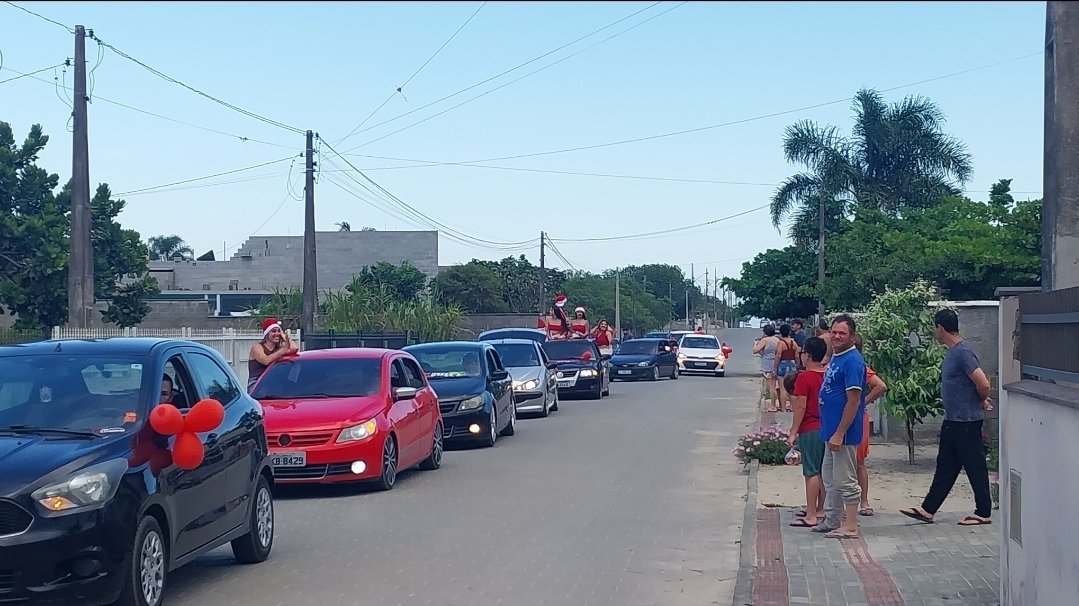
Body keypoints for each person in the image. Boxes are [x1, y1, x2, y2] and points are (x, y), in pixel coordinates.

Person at [901, 308, 994, 526]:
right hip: (954, 420)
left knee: (974, 465)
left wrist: (982, 399)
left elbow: (983, 382)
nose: (935, 332)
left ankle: (983, 511)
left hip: (966, 421)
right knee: (946, 464)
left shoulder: (962, 352)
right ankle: (928, 509)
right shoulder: (954, 351)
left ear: (940, 327)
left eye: (935, 328)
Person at [814, 314, 866, 539]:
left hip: (841, 433)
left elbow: (853, 399)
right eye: (834, 332)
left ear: (852, 336)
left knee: (845, 478)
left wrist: (840, 432)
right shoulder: (837, 356)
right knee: (830, 477)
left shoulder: (853, 361)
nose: (836, 336)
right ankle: (832, 519)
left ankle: (851, 525)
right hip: (830, 430)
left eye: (842, 333)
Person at [787, 336, 828, 528]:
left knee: (811, 472)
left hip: (810, 427)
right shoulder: (827, 374)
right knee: (821, 471)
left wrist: (793, 431)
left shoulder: (804, 377)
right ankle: (820, 508)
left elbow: (800, 407)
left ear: (808, 356)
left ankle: (811, 514)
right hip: (826, 427)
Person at [851, 334, 887, 516]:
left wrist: (863, 401)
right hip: (855, 416)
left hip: (855, 417)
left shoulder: (860, 368)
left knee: (857, 462)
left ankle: (862, 501)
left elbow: (880, 386)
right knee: (858, 463)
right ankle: (862, 502)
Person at [248, 316, 298, 391]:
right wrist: (283, 350)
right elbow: (265, 360)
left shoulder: (279, 349)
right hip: (256, 383)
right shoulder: (257, 347)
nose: (277, 333)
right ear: (267, 333)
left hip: (272, 382)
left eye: (278, 331)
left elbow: (294, 348)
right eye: (273, 331)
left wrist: (284, 335)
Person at [753, 325, 780, 413]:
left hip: (768, 364)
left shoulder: (765, 340)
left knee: (771, 386)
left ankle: (773, 405)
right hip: (776, 363)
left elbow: (755, 350)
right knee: (777, 386)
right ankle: (779, 404)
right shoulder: (777, 340)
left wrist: (755, 343)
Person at [773, 323, 798, 412]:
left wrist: (774, 368)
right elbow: (797, 355)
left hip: (782, 364)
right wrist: (797, 364)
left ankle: (783, 408)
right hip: (792, 364)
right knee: (791, 388)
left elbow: (778, 355)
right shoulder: (793, 342)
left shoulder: (781, 343)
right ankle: (792, 407)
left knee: (782, 387)